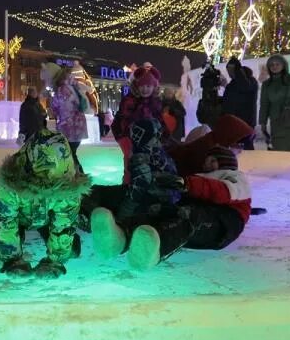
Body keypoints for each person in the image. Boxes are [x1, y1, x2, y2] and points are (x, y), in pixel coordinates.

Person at [91, 146, 250, 271]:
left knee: (192, 216)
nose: (207, 163)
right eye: (207, 160)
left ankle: (154, 249)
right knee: (162, 211)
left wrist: (187, 184)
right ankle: (119, 238)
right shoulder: (200, 176)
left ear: (226, 163)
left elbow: (223, 192)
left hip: (225, 223)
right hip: (197, 218)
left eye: (213, 160)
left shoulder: (236, 177)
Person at [0, 129, 91, 279]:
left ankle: (62, 245)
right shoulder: (10, 185)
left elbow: (64, 223)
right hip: (20, 219)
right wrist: (12, 260)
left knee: (71, 249)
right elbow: (5, 221)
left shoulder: (67, 187)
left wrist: (55, 261)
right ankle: (2, 251)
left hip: (48, 219)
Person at [111, 66, 166, 182]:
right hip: (131, 141)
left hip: (150, 144)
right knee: (131, 168)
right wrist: (125, 140)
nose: (145, 89)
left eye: (148, 86)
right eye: (142, 86)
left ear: (154, 86)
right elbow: (121, 121)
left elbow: (161, 123)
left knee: (149, 169)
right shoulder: (129, 101)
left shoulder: (155, 103)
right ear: (137, 86)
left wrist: (164, 137)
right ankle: (128, 188)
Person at [42, 62, 88, 172]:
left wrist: (52, 104)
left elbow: (63, 111)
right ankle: (77, 178)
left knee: (70, 155)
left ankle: (79, 179)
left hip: (70, 129)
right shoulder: (71, 85)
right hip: (76, 128)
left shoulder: (63, 89)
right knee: (70, 154)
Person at [221, 57, 258, 149]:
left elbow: (245, 87)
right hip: (233, 122)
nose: (229, 73)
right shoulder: (232, 84)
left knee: (247, 149)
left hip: (245, 121)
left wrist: (238, 72)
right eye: (228, 70)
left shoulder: (250, 81)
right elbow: (229, 100)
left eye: (231, 70)